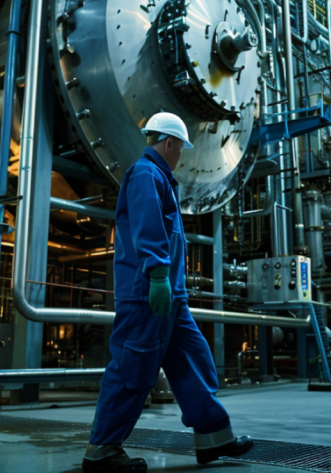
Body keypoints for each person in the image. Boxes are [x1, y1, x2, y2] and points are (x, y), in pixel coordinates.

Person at [83, 113, 254, 472]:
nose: (182, 156)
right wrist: (158, 275)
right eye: (181, 148)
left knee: (193, 359)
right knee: (134, 368)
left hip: (172, 296)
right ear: (170, 142)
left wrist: (171, 284)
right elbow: (147, 227)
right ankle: (102, 450)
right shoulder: (145, 174)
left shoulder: (162, 178)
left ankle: (213, 436)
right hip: (148, 293)